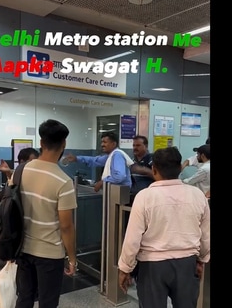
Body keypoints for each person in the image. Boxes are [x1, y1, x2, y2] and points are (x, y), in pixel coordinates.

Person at [117, 147, 210, 308]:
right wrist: (202, 260)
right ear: (179, 169)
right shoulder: (197, 195)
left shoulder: (144, 197)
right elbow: (206, 234)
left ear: (154, 170)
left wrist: (125, 268)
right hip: (187, 264)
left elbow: (132, 239)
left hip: (152, 266)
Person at [14, 119, 78, 308]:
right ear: (64, 144)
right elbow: (66, 226)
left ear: (41, 143)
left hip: (23, 249)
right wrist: (72, 258)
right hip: (50, 254)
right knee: (48, 302)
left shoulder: (21, 170)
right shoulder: (63, 182)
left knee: (24, 298)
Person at [63, 131, 133, 192]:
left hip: (120, 193)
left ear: (114, 144)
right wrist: (77, 158)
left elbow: (119, 176)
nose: (102, 145)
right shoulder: (110, 156)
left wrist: (102, 182)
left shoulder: (117, 155)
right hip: (113, 192)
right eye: (102, 142)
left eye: (105, 142)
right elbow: (95, 160)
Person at [130, 135, 154, 203]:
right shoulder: (132, 160)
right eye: (134, 145)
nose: (135, 148)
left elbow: (160, 177)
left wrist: (144, 170)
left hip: (148, 199)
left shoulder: (152, 159)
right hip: (135, 198)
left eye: (138, 145)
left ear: (146, 146)